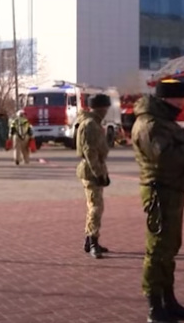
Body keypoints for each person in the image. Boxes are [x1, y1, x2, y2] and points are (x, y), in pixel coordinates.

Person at [131, 79, 184, 323]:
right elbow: (165, 158)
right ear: (167, 99)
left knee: (169, 249)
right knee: (157, 249)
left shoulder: (163, 122)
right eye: (180, 98)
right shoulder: (149, 124)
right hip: (159, 192)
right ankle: (154, 306)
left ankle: (168, 300)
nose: (183, 103)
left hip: (172, 191)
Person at [76, 94, 113, 259]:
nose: (106, 111)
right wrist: (99, 173)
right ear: (100, 108)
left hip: (95, 168)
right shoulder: (90, 125)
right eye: (105, 108)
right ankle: (93, 241)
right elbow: (89, 152)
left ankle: (89, 239)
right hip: (90, 171)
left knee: (95, 205)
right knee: (96, 207)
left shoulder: (94, 124)